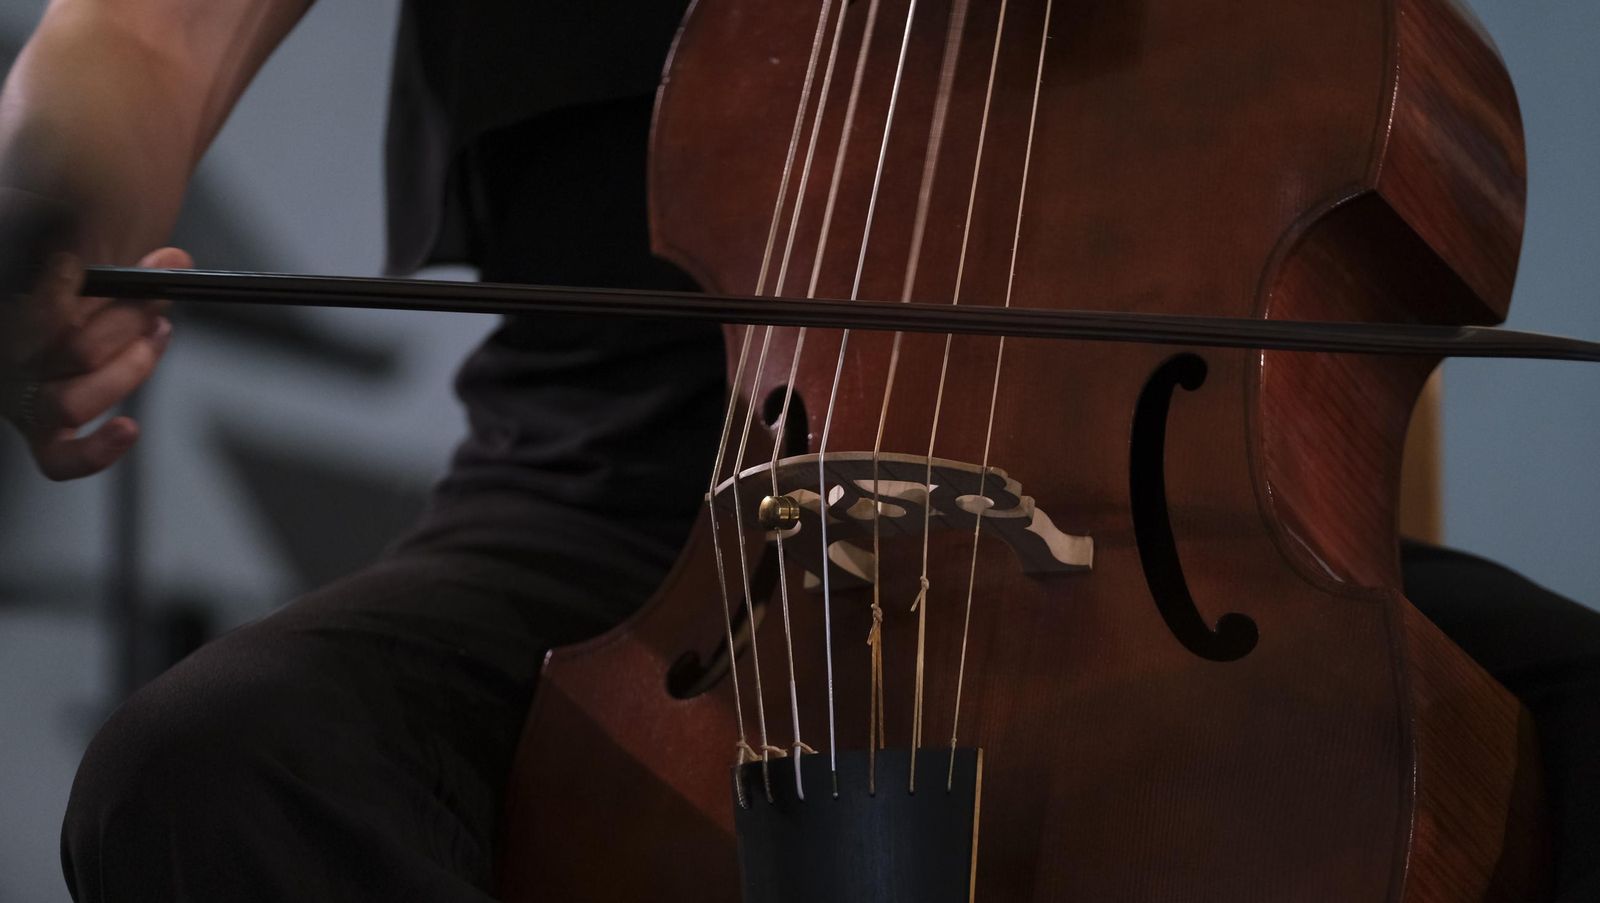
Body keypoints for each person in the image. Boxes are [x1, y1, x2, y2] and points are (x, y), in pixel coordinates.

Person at [0, 1, 1595, 901]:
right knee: (214, 775)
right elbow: (145, 38)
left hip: (1158, 488)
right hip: (635, 500)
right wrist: (43, 212)